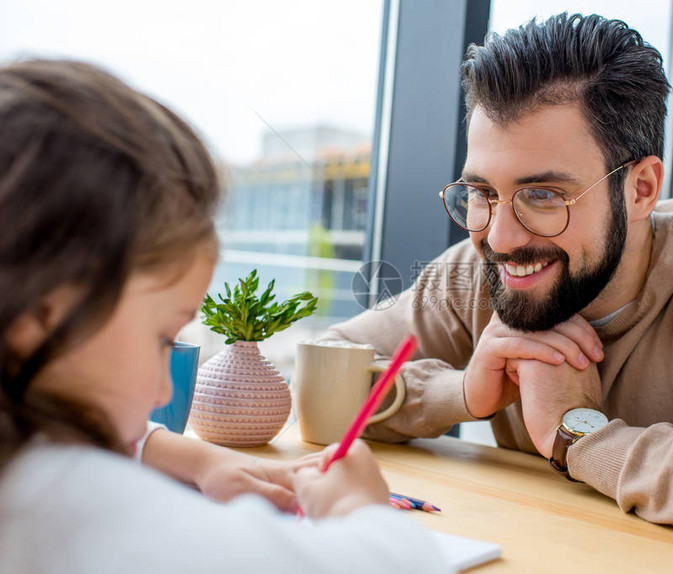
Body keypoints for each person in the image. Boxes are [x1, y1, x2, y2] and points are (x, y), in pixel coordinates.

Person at [322, 13, 673, 573]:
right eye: (481, 192)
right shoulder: (481, 271)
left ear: (641, 189)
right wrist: (460, 393)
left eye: (545, 195)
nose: (500, 238)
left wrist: (580, 436)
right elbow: (320, 381)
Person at [0, 59, 447, 573]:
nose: (164, 394)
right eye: (164, 337)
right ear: (42, 318)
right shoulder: (75, 512)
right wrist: (356, 510)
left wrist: (196, 457)